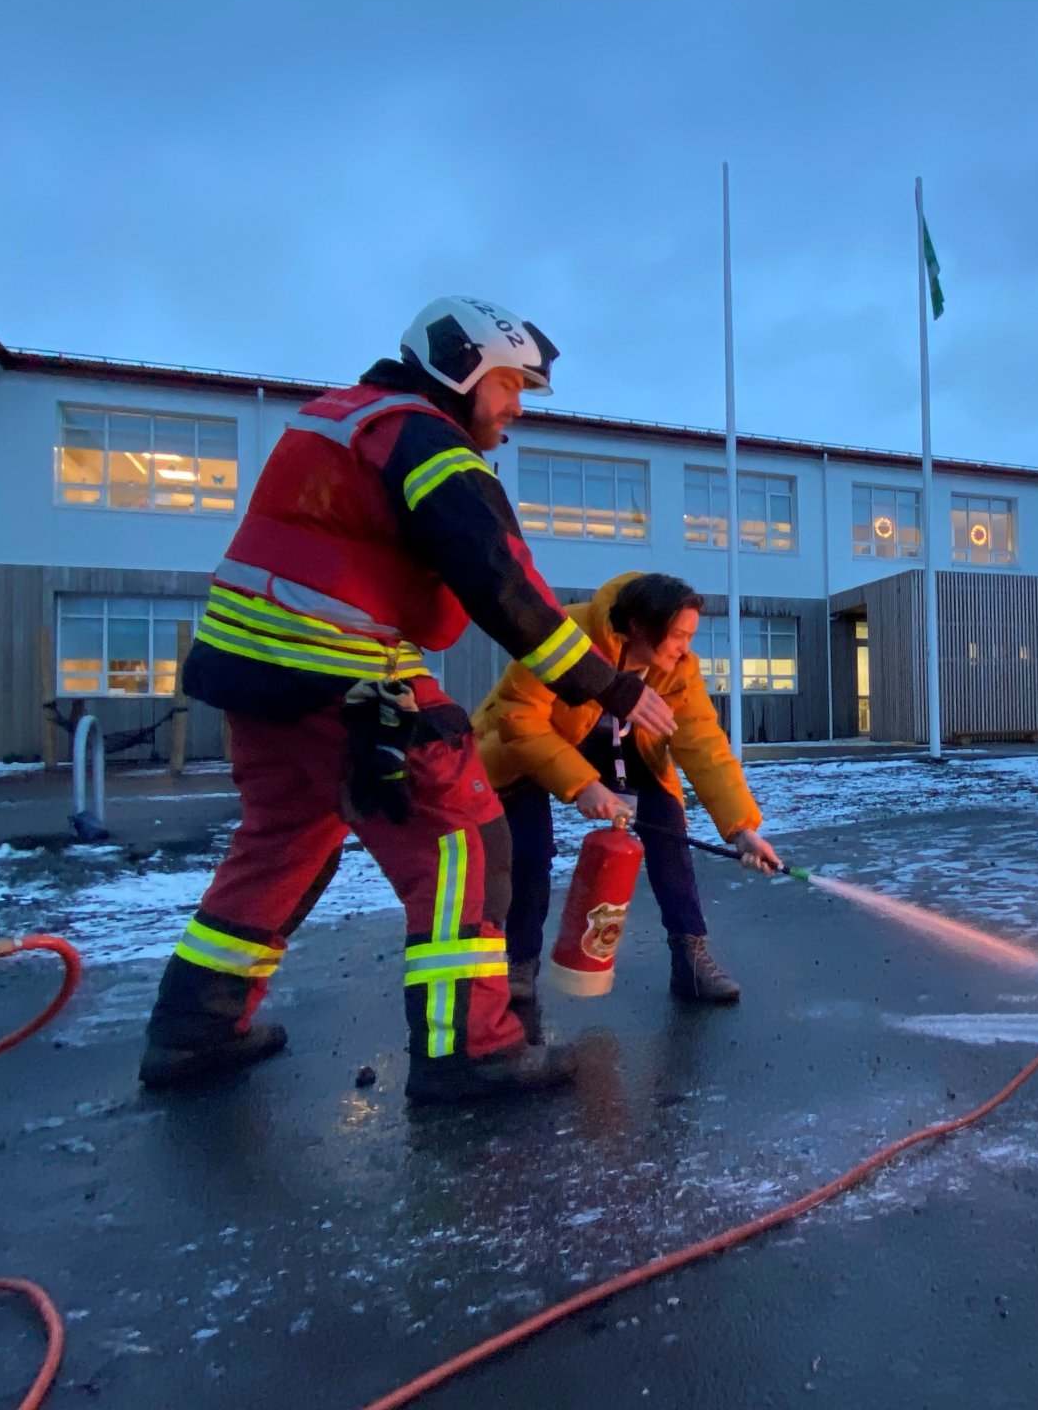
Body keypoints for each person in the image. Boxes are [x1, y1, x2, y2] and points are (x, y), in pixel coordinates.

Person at [138, 296, 677, 1104]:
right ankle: (469, 1050)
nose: (515, 410)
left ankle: (194, 1026)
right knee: (462, 843)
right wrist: (610, 685)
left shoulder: (343, 422)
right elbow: (502, 582)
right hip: (339, 674)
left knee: (282, 844)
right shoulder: (425, 440)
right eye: (507, 387)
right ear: (459, 370)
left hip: (255, 678)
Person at [475, 572, 782, 1040]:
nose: (685, 647)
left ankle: (690, 960)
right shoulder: (564, 634)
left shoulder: (679, 669)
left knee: (669, 828)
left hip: (621, 752)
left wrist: (742, 829)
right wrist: (581, 786)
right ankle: (518, 968)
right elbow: (519, 717)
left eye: (690, 636)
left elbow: (704, 744)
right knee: (530, 853)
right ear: (639, 625)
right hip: (526, 747)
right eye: (678, 635)